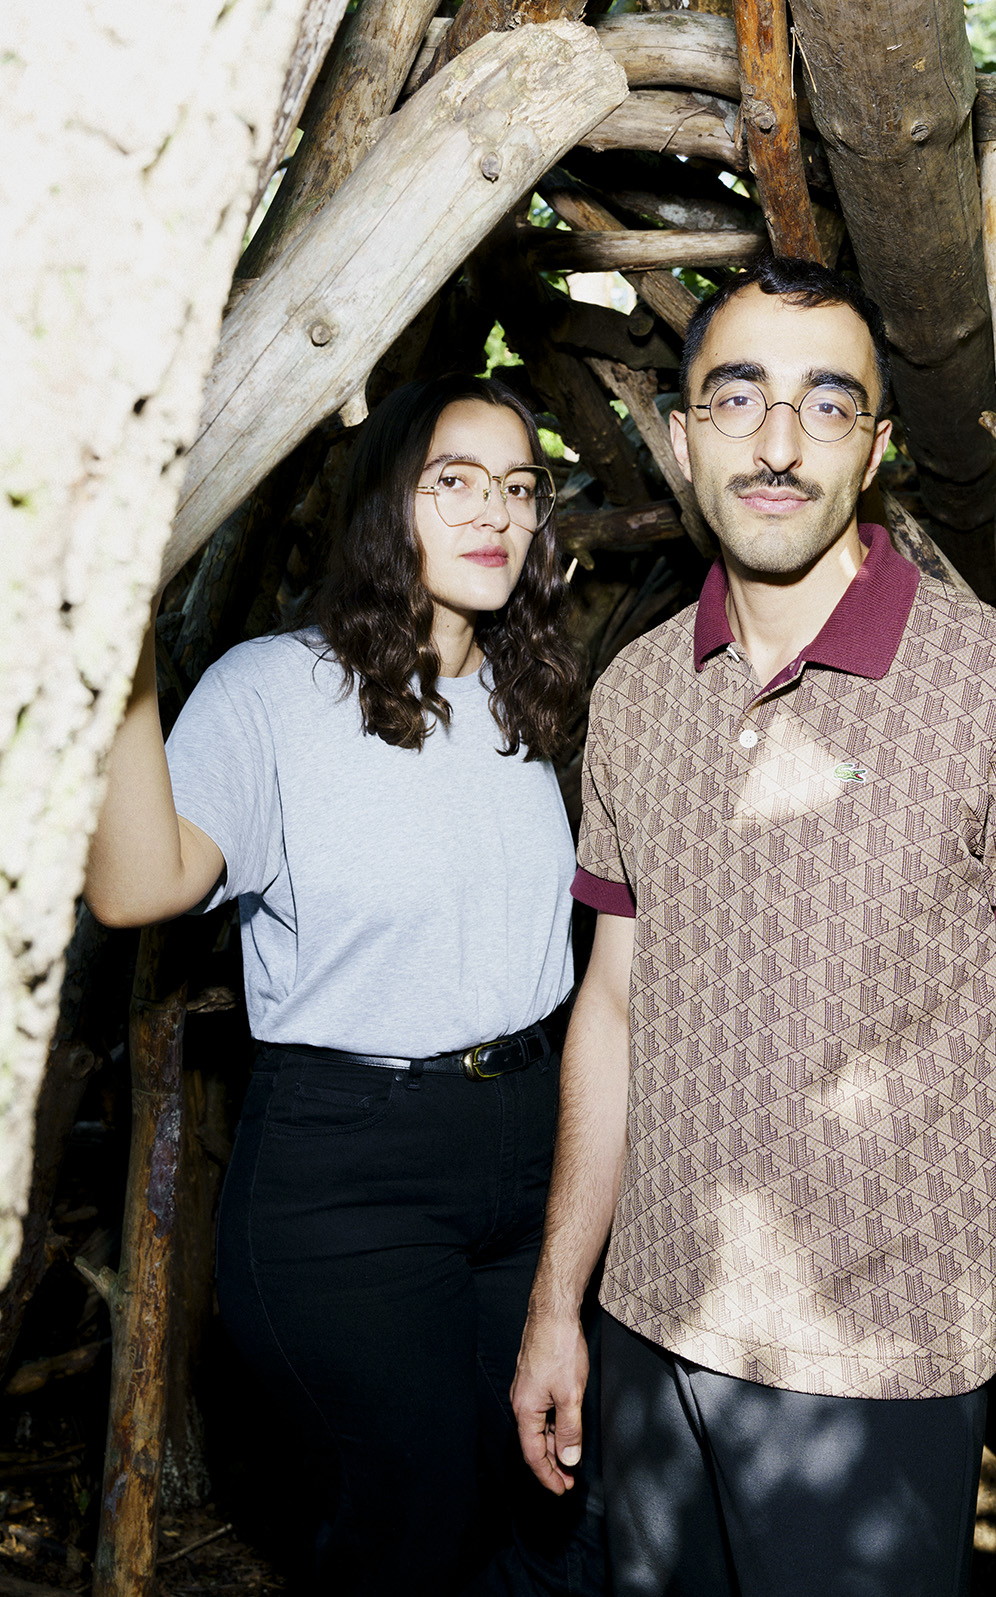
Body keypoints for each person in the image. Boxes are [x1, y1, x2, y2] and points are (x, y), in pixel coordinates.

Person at [511, 256, 996, 1597]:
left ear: (877, 447)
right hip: (648, 1335)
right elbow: (612, 1010)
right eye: (738, 399)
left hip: (878, 1374)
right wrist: (560, 1299)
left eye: (828, 404)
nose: (780, 444)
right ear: (681, 439)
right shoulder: (635, 694)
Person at [85, 374, 602, 1596]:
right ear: (385, 503)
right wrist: (118, 649)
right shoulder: (273, 690)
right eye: (453, 481)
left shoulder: (527, 688)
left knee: (550, 1510)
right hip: (351, 1175)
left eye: (518, 487)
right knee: (415, 1521)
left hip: (534, 1150)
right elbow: (136, 885)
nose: (496, 513)